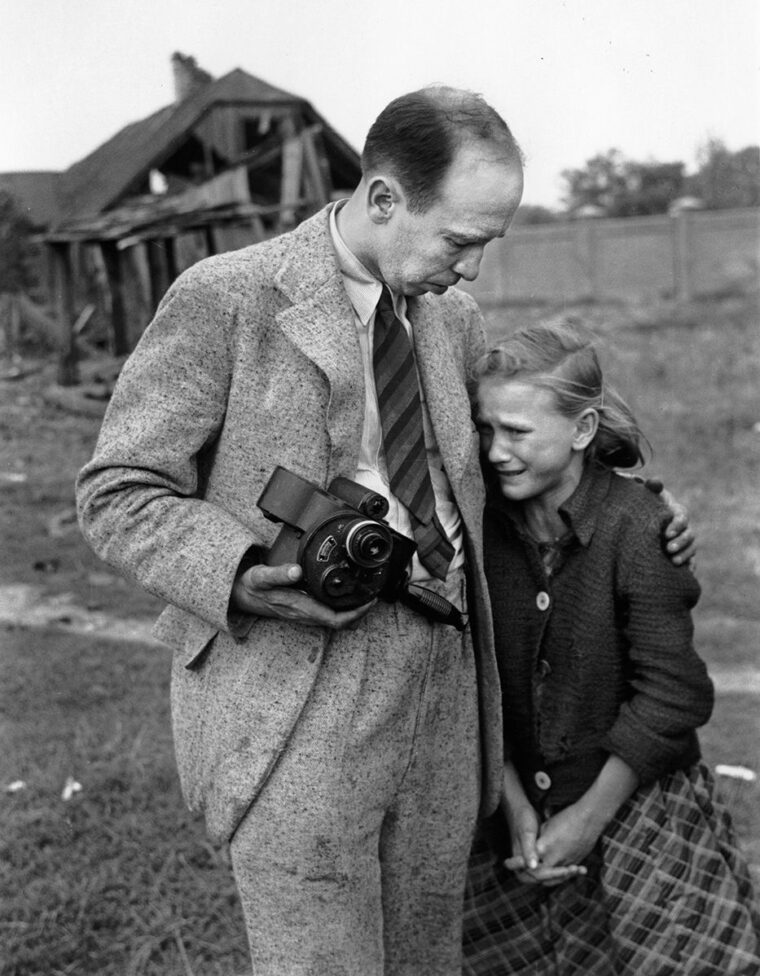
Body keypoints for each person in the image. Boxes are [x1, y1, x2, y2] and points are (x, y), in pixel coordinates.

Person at [76, 87, 693, 976]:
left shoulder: (452, 317)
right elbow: (119, 488)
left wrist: (643, 502)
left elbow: (527, 443)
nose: (473, 269)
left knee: (429, 956)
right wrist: (240, 571)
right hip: (297, 688)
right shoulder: (228, 297)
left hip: (446, 681)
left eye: (488, 245)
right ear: (383, 199)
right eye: (461, 240)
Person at [463, 318, 760, 975]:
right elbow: (469, 677)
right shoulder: (476, 529)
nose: (495, 450)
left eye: (516, 432)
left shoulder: (639, 529)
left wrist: (587, 819)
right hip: (516, 822)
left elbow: (673, 695)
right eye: (485, 429)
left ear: (583, 431)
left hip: (637, 816)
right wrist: (513, 805)